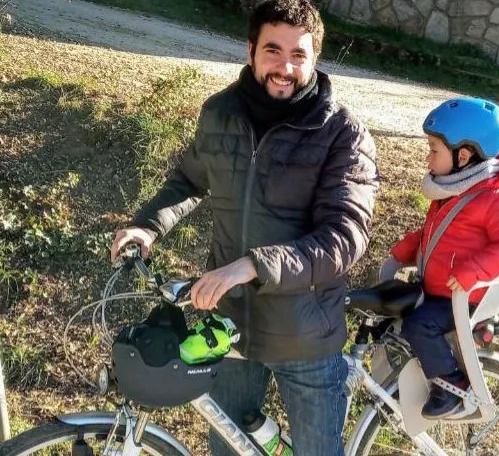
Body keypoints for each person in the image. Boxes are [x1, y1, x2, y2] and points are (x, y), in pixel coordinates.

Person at [110, 0, 378, 454]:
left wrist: (252, 266)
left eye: (299, 55)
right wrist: (148, 227)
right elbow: (190, 179)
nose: (285, 67)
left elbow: (344, 237)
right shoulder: (220, 113)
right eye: (273, 50)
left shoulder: (342, 133)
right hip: (229, 329)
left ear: (314, 59)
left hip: (306, 340)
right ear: (251, 50)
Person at [379, 98, 499, 419]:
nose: (427, 157)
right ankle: (401, 385)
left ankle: (450, 387)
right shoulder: (455, 190)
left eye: (434, 150)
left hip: (463, 298)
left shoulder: (494, 198)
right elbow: (435, 235)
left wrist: (473, 271)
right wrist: (404, 250)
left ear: (463, 156)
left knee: (420, 325)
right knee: (393, 317)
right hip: (438, 290)